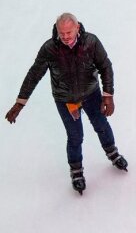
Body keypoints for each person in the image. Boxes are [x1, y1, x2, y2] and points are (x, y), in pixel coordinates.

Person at [5, 12, 127, 193]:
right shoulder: (49, 49)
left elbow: (105, 66)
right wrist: (20, 103)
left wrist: (108, 95)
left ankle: (112, 153)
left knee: (101, 124)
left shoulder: (91, 42)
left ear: (77, 28)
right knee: (75, 136)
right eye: (62, 33)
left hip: (91, 94)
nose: (65, 37)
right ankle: (76, 170)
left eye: (69, 32)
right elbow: (34, 75)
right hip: (66, 100)